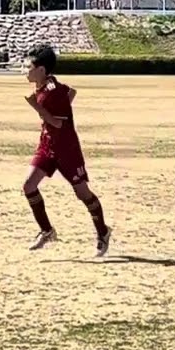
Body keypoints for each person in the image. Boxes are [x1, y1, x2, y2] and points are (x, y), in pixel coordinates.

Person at [21, 45, 111, 257]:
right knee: (28, 185)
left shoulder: (52, 92)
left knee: (83, 194)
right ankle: (46, 230)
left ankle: (103, 232)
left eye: (29, 66)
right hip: (47, 146)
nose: (25, 70)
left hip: (67, 149)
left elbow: (58, 123)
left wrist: (36, 107)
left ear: (41, 70)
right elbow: (72, 92)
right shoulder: (47, 85)